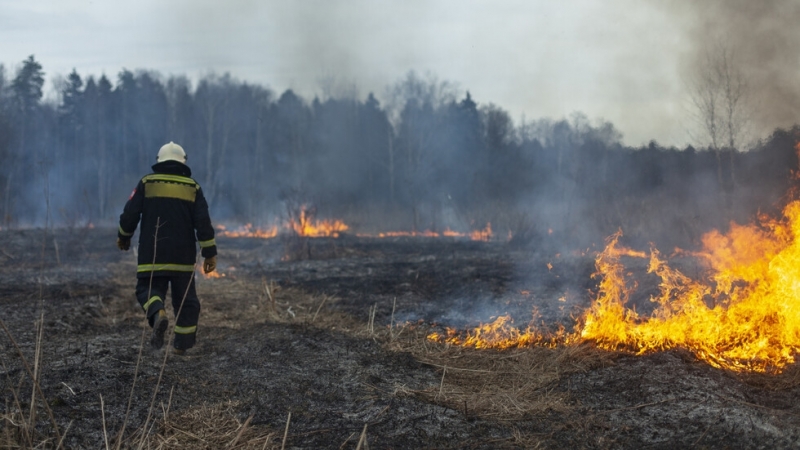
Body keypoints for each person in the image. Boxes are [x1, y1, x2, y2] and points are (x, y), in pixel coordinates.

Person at [116, 142, 217, 355]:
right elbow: (203, 222)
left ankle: (158, 311)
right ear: (183, 162)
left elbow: (130, 214)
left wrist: (124, 237)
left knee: (147, 290)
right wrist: (210, 253)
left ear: (159, 161)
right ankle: (182, 345)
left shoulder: (147, 183)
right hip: (183, 257)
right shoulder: (193, 187)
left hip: (152, 255)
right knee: (186, 302)